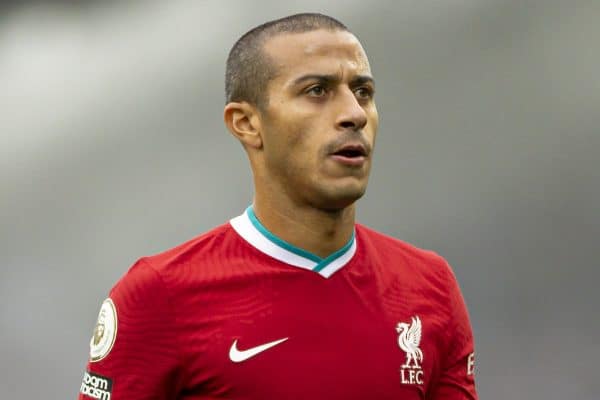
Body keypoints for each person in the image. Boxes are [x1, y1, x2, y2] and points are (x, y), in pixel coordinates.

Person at [78, 13, 478, 399]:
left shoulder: (430, 286)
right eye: (317, 91)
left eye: (363, 92)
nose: (354, 114)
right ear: (247, 124)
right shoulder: (158, 295)